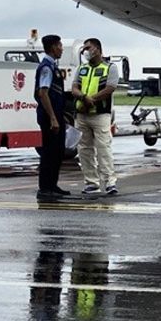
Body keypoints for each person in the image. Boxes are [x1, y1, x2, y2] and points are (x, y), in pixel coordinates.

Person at [71, 38, 120, 196]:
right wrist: (84, 97)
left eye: (88, 48)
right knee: (84, 150)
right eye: (84, 48)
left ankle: (109, 182)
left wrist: (92, 100)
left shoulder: (109, 68)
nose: (85, 51)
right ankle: (91, 182)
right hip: (82, 115)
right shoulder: (82, 68)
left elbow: (110, 87)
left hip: (100, 114)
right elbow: (74, 87)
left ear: (97, 49)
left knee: (103, 148)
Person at [35, 34, 70, 199]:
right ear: (53, 47)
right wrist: (53, 118)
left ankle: (52, 185)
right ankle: (44, 188)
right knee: (49, 152)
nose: (61, 49)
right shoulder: (47, 68)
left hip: (56, 114)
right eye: (60, 45)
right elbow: (43, 93)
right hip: (50, 116)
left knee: (58, 151)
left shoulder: (53, 66)